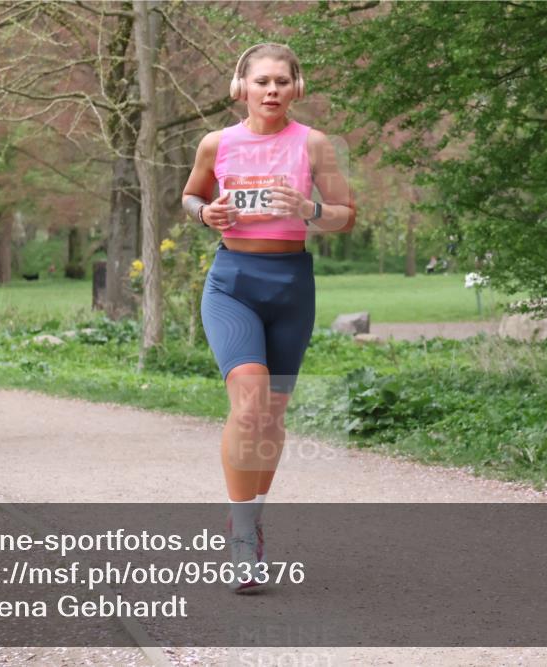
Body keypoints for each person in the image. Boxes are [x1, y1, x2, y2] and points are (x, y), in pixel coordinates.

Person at [181, 43, 355, 591]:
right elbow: (191, 196)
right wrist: (205, 213)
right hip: (233, 283)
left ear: (296, 88)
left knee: (271, 418)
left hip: (291, 287)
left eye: (282, 81)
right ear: (242, 87)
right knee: (250, 401)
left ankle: (248, 520)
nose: (272, 90)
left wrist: (309, 211)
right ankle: (239, 545)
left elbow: (346, 215)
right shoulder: (217, 143)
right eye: (262, 81)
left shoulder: (316, 145)